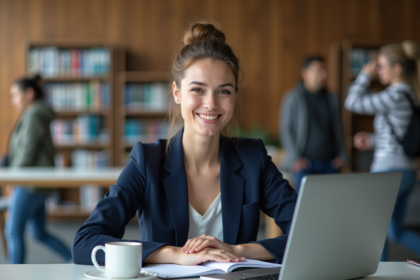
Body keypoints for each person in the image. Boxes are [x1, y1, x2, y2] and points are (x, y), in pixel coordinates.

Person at [73, 22, 297, 265]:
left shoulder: (253, 158)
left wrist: (236, 250)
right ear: (177, 93)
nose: (211, 104)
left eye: (223, 91)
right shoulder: (147, 162)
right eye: (198, 90)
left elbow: (308, 233)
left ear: (234, 95)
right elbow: (85, 243)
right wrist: (174, 254)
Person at [344, 41, 420, 261]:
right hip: (406, 172)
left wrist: (365, 75)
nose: (378, 70)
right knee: (393, 231)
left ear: (397, 69)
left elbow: (352, 102)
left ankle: (380, 274)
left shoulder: (395, 95)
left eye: (382, 65)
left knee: (375, 231)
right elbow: (399, 136)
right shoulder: (410, 95)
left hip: (388, 172)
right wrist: (372, 139)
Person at [4, 75, 72, 264]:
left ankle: (14, 274)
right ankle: (74, 260)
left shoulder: (33, 116)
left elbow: (26, 153)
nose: (13, 101)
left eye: (15, 95)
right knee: (39, 232)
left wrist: (11, 179)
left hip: (30, 183)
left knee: (13, 231)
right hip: (37, 183)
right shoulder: (35, 114)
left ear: (29, 94)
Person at [280, 56, 347, 193]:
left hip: (331, 163)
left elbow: (339, 128)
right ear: (305, 73)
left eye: (324, 70)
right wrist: (295, 158)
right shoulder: (293, 97)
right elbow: (286, 129)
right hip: (305, 164)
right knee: (305, 208)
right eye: (319, 71)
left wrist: (342, 155)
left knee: (331, 205)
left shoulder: (332, 98)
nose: (323, 75)